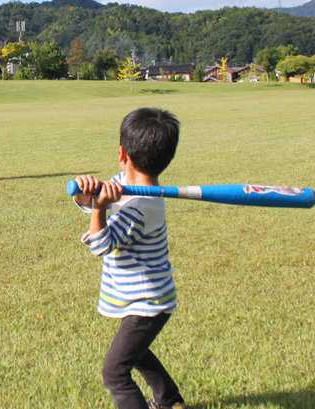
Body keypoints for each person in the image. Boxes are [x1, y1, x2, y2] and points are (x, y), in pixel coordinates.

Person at [70, 107, 188, 409]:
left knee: (115, 372)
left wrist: (99, 208)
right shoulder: (124, 181)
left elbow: (101, 244)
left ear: (123, 153)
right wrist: (87, 194)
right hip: (140, 297)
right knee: (137, 354)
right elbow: (93, 201)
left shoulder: (143, 205)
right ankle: (169, 400)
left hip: (147, 302)